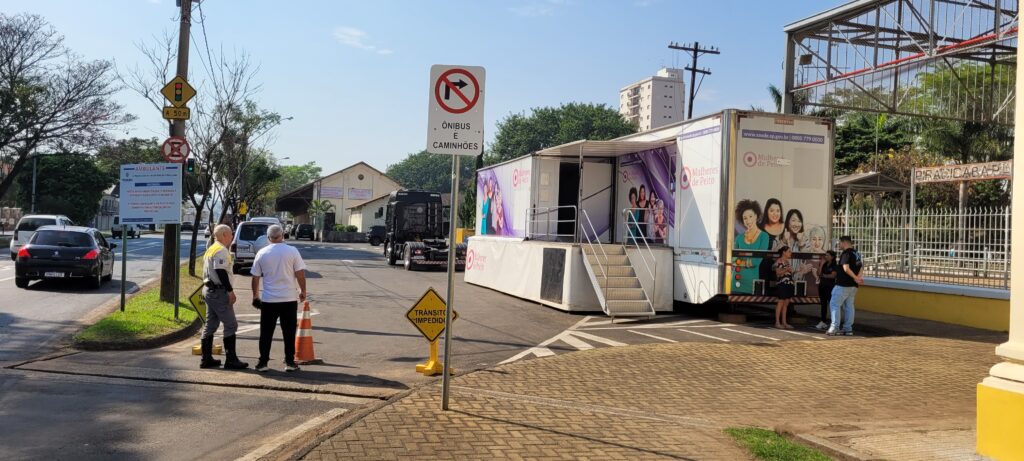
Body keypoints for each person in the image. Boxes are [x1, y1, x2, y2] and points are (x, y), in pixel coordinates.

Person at [251, 224, 308, 372]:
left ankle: (262, 362)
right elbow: (300, 274)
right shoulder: (292, 251)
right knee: (288, 332)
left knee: (266, 333)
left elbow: (255, 277)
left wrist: (255, 296)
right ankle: (289, 362)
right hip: (289, 299)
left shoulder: (262, 253)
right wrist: (303, 291)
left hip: (269, 300)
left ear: (268, 237)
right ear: (282, 235)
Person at [199, 224, 249, 370]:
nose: (232, 236)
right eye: (231, 234)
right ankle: (231, 359)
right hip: (219, 292)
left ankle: (206, 359)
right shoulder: (220, 250)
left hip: (209, 290)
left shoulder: (212, 248)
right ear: (224, 235)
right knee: (231, 325)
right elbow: (220, 272)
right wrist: (230, 291)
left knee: (211, 325)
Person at [828, 236, 864, 336]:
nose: (839, 245)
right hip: (853, 286)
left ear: (844, 242)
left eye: (839, 243)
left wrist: (855, 278)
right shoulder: (856, 253)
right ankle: (848, 329)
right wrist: (857, 278)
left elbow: (846, 268)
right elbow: (861, 267)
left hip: (843, 284)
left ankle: (834, 327)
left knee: (834, 304)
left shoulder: (846, 253)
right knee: (849, 306)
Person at [733, 199, 770, 294]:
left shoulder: (764, 237)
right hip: (736, 279)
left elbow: (757, 261)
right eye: (745, 218)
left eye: (750, 216)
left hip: (751, 282)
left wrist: (740, 262)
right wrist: (743, 262)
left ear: (756, 216)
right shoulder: (739, 238)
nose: (748, 220)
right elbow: (733, 259)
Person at [773, 246, 795, 329]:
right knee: (780, 303)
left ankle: (784, 322)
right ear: (784, 252)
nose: (790, 253)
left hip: (789, 284)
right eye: (789, 251)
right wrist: (786, 270)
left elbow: (790, 272)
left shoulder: (787, 261)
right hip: (782, 284)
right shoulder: (779, 261)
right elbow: (778, 273)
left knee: (786, 304)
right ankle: (777, 322)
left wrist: (798, 271)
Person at [816, 250, 838, 330]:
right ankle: (823, 321)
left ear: (832, 257)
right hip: (822, 286)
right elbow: (818, 273)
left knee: (832, 304)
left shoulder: (834, 265)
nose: (826, 257)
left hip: (830, 287)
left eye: (828, 255)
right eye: (826, 255)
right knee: (823, 304)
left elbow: (833, 276)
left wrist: (824, 275)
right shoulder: (824, 264)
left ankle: (834, 322)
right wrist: (821, 265)